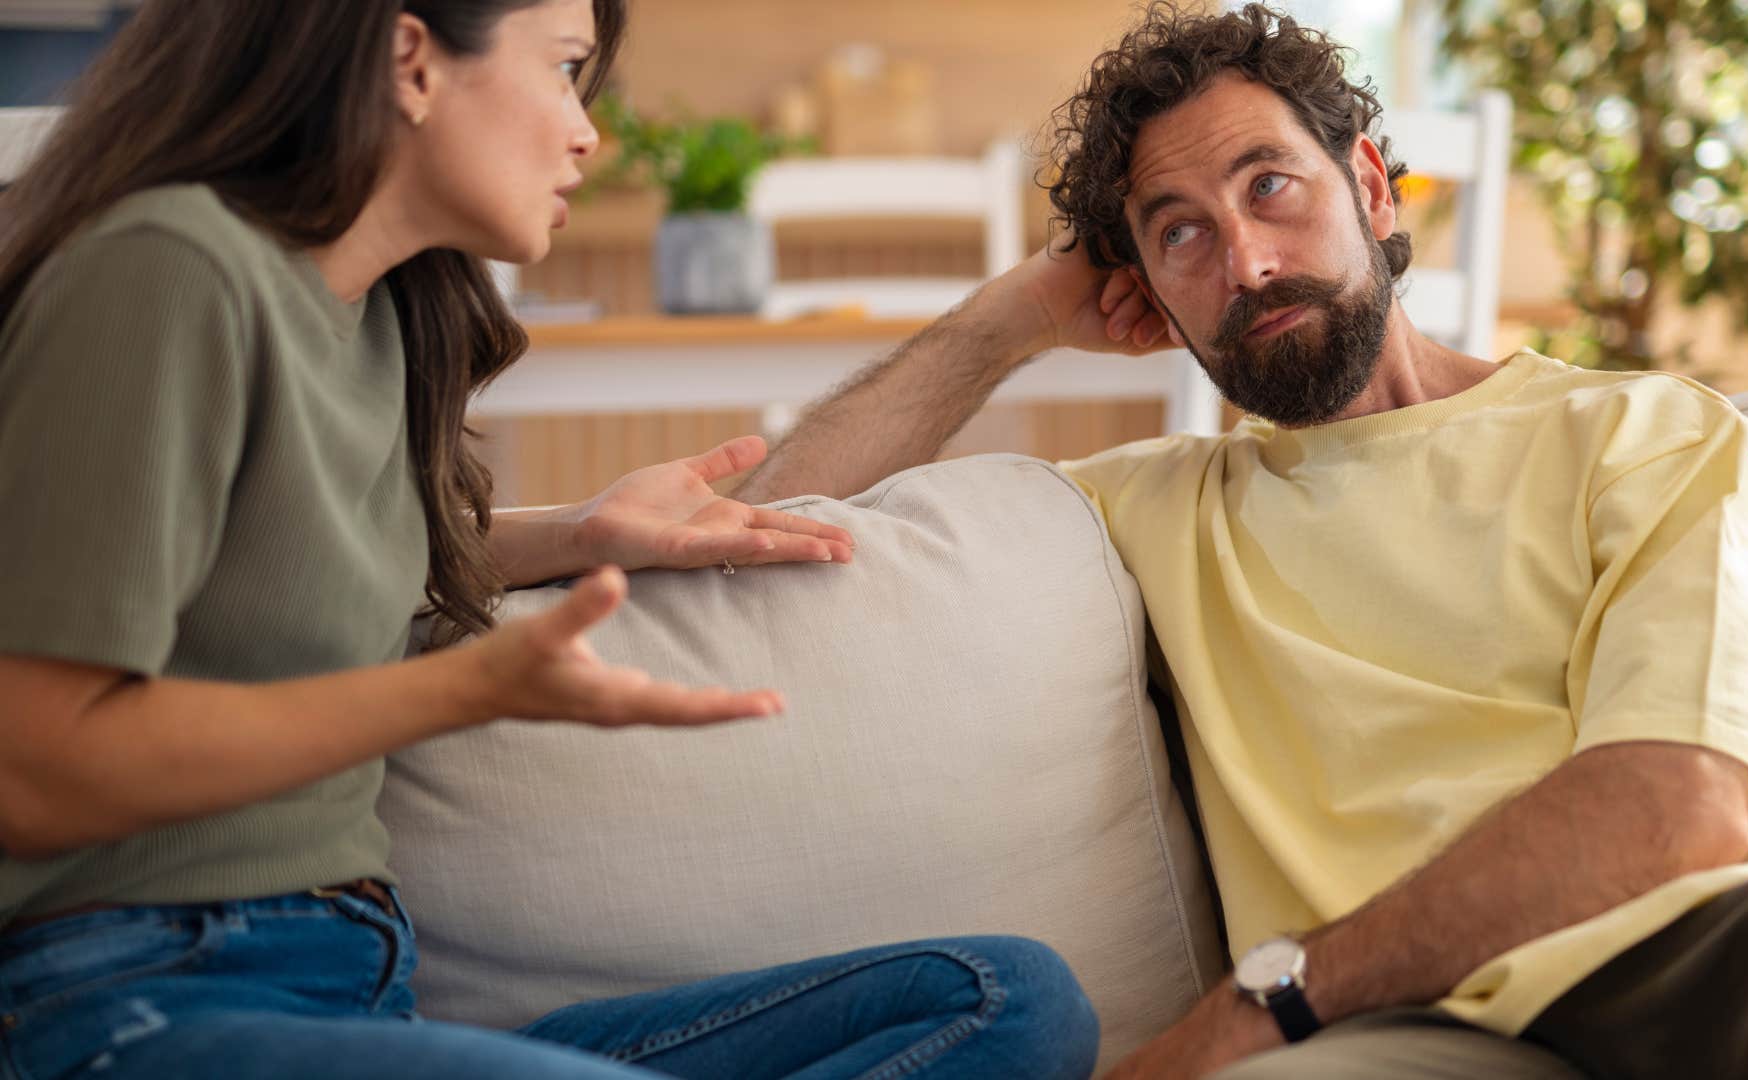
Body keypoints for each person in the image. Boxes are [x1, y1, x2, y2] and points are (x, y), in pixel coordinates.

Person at [732, 4, 1748, 1077]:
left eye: (1270, 187)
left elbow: (1672, 816)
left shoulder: (1639, 432)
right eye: (1181, 236)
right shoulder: (1154, 509)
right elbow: (762, 530)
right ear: (1147, 296)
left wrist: (1269, 1003)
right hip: (1429, 1034)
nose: (1247, 263)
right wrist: (1014, 318)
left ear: (1371, 188)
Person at [0, 2, 1101, 1078]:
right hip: (133, 994)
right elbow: (33, 771)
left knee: (1006, 998)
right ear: (411, 61)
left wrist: (586, 532)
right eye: (565, 67)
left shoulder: (379, 316)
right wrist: (464, 688)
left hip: (357, 994)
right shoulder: (167, 266)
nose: (588, 133)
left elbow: (286, 556)